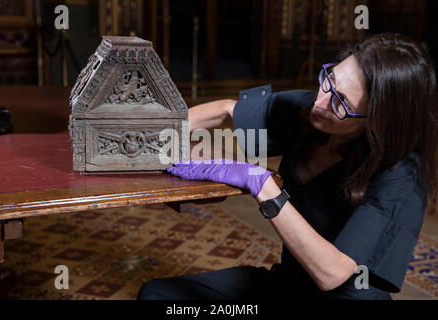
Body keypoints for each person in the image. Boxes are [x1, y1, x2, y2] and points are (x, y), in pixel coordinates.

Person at [137, 33, 437, 300]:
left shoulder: (402, 174)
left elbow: (331, 274)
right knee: (157, 294)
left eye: (341, 102)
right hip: (289, 285)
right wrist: (152, 135)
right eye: (329, 78)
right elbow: (227, 109)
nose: (321, 100)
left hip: (344, 296)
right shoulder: (315, 110)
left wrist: (260, 183)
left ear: (377, 119)